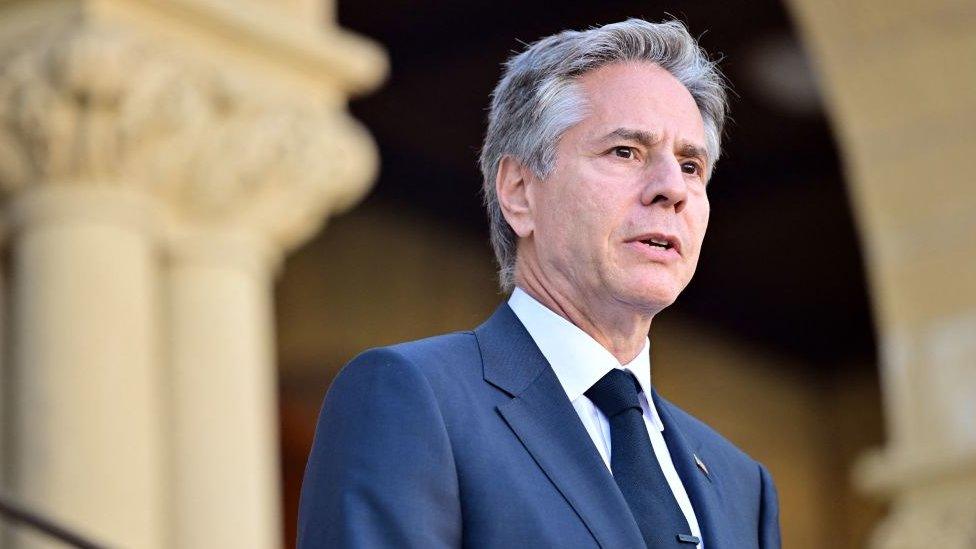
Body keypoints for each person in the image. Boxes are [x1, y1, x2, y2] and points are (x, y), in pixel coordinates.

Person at [298, 18, 781, 549]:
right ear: (520, 192)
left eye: (691, 165)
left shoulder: (742, 485)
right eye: (626, 152)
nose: (672, 189)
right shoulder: (413, 397)